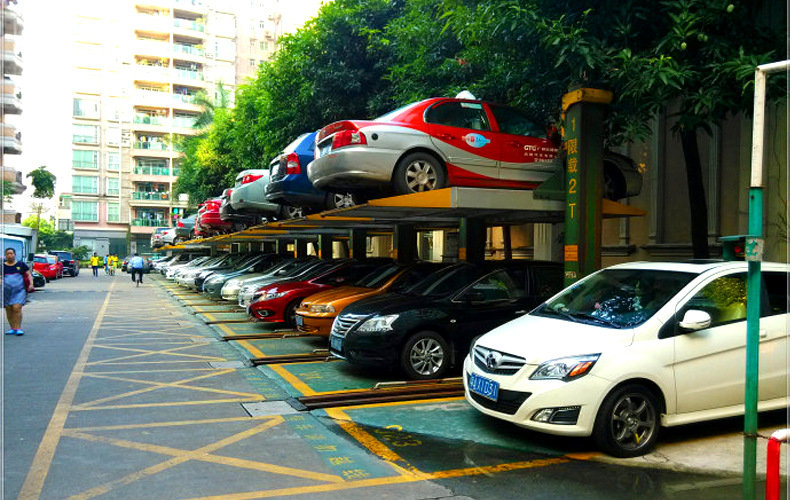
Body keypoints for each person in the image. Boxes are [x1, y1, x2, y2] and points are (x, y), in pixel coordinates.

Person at [3, 248, 34, 335]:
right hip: (6, 292)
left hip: (19, 291)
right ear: (5, 255)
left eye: (11, 253)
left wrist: (31, 284)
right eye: (8, 254)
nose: (10, 255)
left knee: (17, 307)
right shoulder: (2, 266)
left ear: (15, 254)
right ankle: (12, 328)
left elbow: (29, 275)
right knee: (9, 308)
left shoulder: (21, 264)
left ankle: (18, 328)